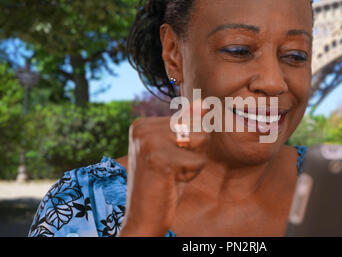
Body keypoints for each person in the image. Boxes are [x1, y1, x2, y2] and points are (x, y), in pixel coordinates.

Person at [28, 0, 313, 237]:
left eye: (296, 55)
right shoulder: (82, 203)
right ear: (174, 54)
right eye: (238, 50)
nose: (275, 82)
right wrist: (141, 229)